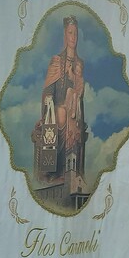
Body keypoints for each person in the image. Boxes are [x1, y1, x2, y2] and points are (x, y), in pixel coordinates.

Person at [40, 15, 86, 179]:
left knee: (71, 118)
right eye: (70, 33)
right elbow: (48, 88)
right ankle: (56, 169)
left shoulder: (79, 63)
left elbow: (80, 92)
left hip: (73, 108)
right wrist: (49, 98)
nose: (73, 38)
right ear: (65, 35)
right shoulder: (57, 61)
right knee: (61, 113)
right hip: (58, 108)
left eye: (76, 34)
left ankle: (71, 171)